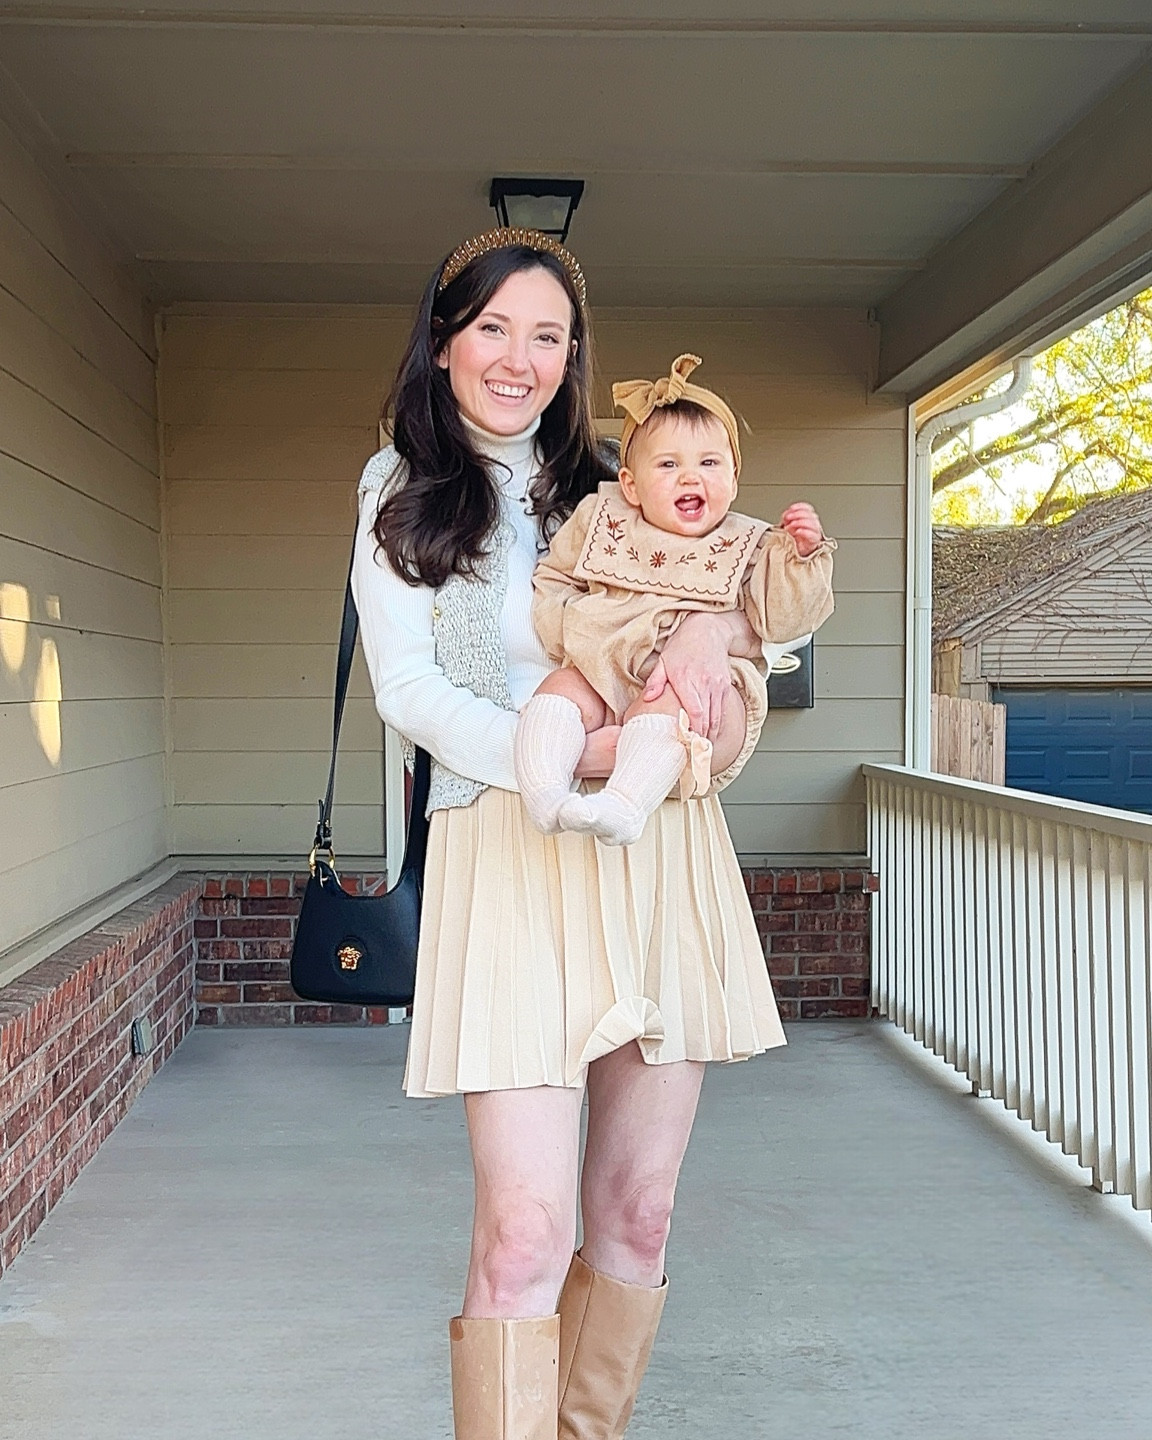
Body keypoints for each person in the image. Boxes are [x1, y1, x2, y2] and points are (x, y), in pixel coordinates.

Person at [352, 228, 797, 1440]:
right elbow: (410, 695)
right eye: (493, 327)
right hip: (507, 852)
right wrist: (580, 753)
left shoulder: (626, 489)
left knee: (639, 1214)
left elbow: (747, 661)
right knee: (526, 1228)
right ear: (444, 343)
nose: (520, 357)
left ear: (574, 356)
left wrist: (716, 643)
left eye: (548, 335)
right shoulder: (401, 494)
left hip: (659, 855)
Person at [514, 352, 835, 846]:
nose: (691, 477)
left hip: (697, 695)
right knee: (560, 689)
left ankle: (624, 805)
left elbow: (787, 618)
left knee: (666, 707)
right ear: (631, 485)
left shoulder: (747, 544)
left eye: (709, 463)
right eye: (668, 465)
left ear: (733, 478)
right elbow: (554, 578)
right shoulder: (603, 521)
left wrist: (802, 558)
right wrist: (574, 635)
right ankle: (544, 794)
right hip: (602, 665)